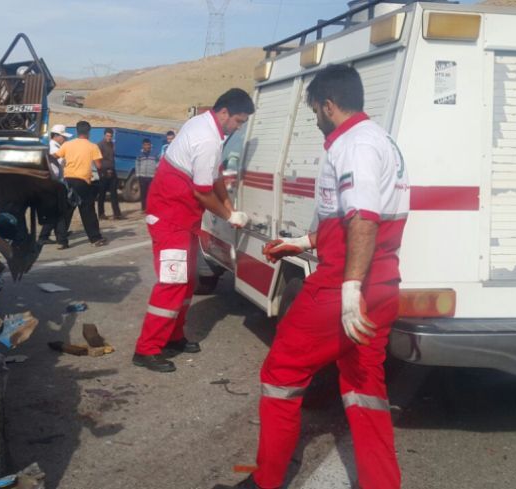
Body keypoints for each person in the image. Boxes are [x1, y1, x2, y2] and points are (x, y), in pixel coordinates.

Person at [225, 65, 409, 489]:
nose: (315, 119)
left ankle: (267, 480)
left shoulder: (353, 146)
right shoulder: (383, 142)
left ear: (329, 104)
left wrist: (348, 290)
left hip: (343, 287)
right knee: (364, 389)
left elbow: (363, 217)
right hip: (383, 285)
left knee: (280, 375)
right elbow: (349, 218)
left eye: (314, 111)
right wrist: (303, 242)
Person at [132, 88, 254, 373]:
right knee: (172, 283)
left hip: (183, 218)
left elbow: (216, 174)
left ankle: (173, 337)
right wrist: (229, 215)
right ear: (224, 112)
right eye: (237, 121)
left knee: (186, 282)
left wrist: (228, 204)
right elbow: (202, 192)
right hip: (170, 218)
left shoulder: (206, 125)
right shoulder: (207, 138)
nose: (238, 127)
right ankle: (147, 349)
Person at [55, 120, 108, 247]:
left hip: (67, 180)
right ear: (88, 132)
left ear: (77, 131)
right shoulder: (92, 146)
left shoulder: (68, 145)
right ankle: (95, 238)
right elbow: (99, 165)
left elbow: (54, 156)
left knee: (66, 210)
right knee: (87, 210)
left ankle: (62, 241)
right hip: (83, 181)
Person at [38, 124, 73, 249]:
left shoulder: (55, 147)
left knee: (55, 213)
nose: (65, 139)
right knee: (60, 212)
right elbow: (59, 166)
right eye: (63, 137)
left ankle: (46, 236)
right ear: (56, 136)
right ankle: (61, 238)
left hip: (54, 183)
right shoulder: (54, 149)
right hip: (54, 183)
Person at [97, 128, 123, 220]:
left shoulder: (112, 144)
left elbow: (112, 158)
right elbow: (97, 159)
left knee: (114, 193)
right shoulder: (100, 145)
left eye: (110, 136)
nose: (109, 137)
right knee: (102, 194)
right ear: (104, 135)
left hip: (112, 170)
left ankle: (117, 214)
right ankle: (101, 214)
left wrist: (111, 169)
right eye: (107, 136)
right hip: (103, 171)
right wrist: (102, 171)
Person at [134, 138, 158, 211]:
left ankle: (150, 208)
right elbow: (137, 164)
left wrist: (156, 172)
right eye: (145, 145)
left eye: (148, 145)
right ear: (143, 146)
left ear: (150, 145)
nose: (147, 146)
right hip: (142, 177)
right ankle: (143, 208)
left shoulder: (154, 154)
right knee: (143, 193)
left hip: (151, 177)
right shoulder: (139, 155)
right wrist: (138, 175)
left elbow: (158, 163)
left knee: (150, 193)